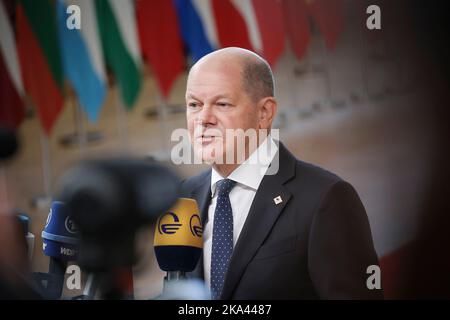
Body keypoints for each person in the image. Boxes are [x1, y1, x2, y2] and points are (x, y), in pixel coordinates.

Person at [180, 47, 382, 299]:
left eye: (222, 104)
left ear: (264, 113)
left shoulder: (325, 199)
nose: (203, 118)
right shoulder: (183, 197)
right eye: (194, 104)